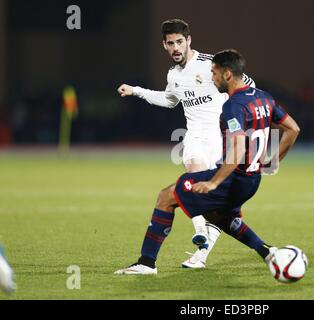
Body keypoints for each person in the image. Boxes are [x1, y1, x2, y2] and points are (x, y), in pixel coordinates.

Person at [115, 49, 300, 275]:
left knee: (168, 195)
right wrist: (273, 161)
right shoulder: (264, 97)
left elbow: (238, 149)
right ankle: (267, 252)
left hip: (234, 179)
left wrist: (214, 182)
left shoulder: (232, 107)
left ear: (227, 74)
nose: (211, 78)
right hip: (252, 181)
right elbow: (293, 128)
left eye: (214, 73)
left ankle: (146, 263)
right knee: (220, 216)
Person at [117, 19, 254, 269]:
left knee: (218, 204)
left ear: (189, 40)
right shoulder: (173, 74)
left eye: (180, 42)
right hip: (194, 136)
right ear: (164, 45)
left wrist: (245, 115)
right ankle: (199, 229)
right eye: (171, 43)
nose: (176, 47)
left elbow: (249, 86)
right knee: (194, 172)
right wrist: (136, 91)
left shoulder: (212, 65)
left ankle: (201, 254)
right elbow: (170, 100)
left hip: (221, 135)